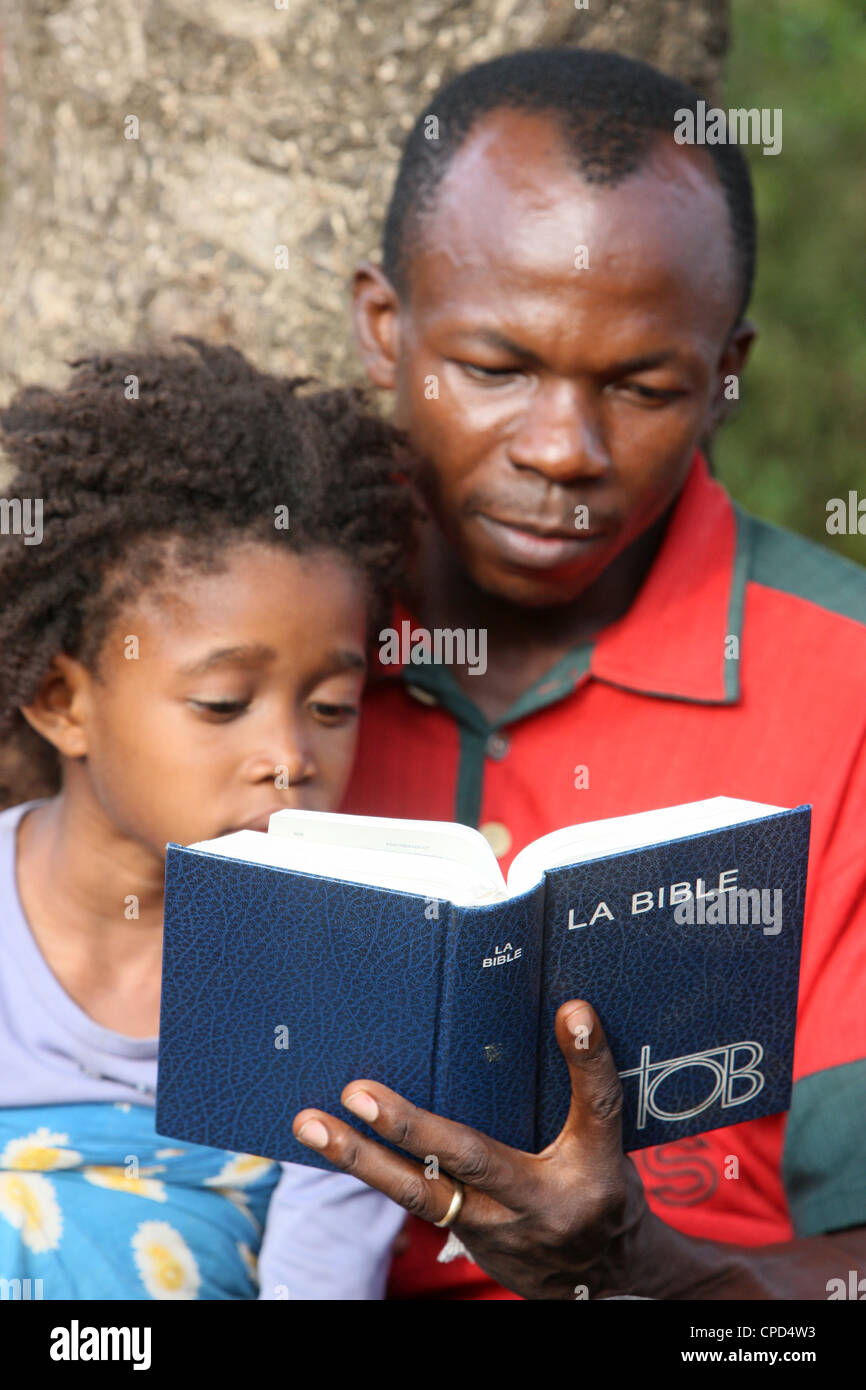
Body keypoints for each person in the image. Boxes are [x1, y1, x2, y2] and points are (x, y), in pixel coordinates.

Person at [294, 48, 866, 1298]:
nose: (562, 448)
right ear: (385, 326)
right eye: (495, 369)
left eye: (643, 386)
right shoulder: (254, 640)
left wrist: (641, 1271)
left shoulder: (845, 688)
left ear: (724, 376)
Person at [0, 340, 412, 1299]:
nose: (290, 756)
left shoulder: (336, 998)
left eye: (331, 706)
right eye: (224, 703)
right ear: (64, 702)